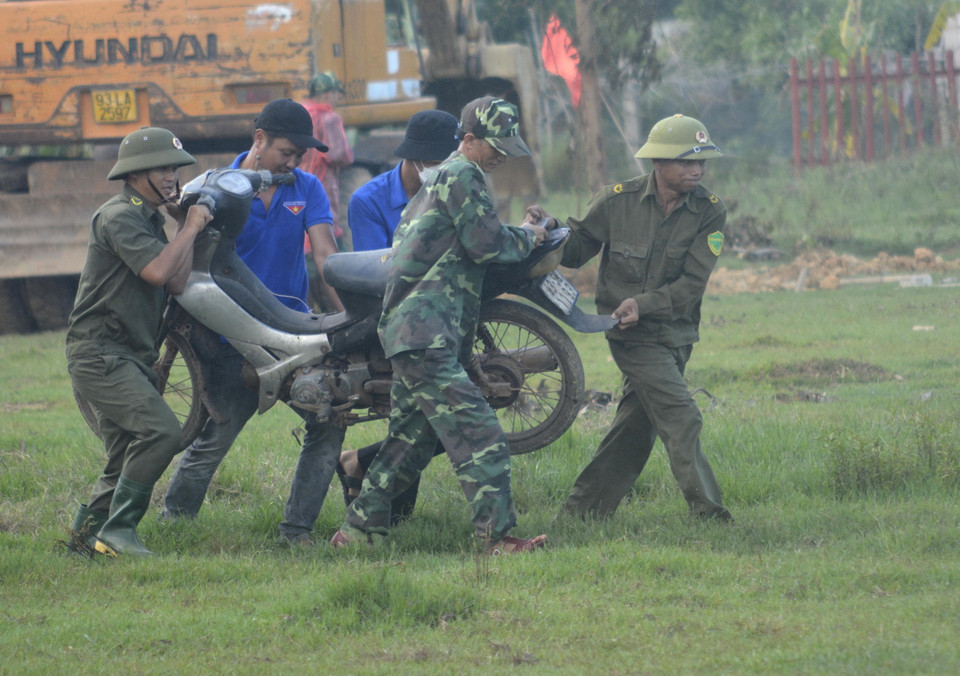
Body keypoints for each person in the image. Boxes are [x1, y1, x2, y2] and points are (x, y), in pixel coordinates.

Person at [330, 97, 549, 554]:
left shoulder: (441, 180)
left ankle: (355, 533)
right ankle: (497, 539)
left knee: (411, 439)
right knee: (480, 432)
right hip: (424, 334)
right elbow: (486, 243)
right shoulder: (461, 174)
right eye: (495, 146)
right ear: (468, 141)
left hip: (418, 334)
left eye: (507, 147)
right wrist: (529, 235)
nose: (501, 156)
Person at [532, 113, 734, 522]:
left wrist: (645, 302)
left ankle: (581, 516)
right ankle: (710, 515)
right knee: (681, 413)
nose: (697, 169)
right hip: (630, 335)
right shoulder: (617, 201)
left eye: (702, 162)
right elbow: (574, 250)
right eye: (686, 161)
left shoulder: (710, 212)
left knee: (635, 428)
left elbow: (692, 284)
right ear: (658, 164)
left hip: (677, 334)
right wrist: (550, 227)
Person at [161, 99, 346, 545]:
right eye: (286, 152)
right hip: (231, 340)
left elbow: (325, 256)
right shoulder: (217, 188)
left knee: (328, 418)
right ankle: (174, 523)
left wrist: (347, 317)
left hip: (294, 334)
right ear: (258, 139)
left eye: (300, 156)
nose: (293, 162)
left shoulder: (307, 188)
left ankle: (296, 531)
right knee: (216, 434)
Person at [67, 127, 213, 556]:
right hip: (101, 353)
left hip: (128, 353)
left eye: (174, 168)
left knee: (123, 451)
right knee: (161, 432)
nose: (172, 176)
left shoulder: (146, 216)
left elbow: (177, 281)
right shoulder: (119, 216)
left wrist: (182, 227)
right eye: (162, 168)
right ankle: (118, 532)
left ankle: (83, 539)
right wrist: (189, 228)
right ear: (135, 174)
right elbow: (154, 272)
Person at [337, 108, 460, 521]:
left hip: (442, 316)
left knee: (445, 414)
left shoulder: (456, 189)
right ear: (413, 159)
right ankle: (377, 498)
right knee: (434, 414)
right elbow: (382, 275)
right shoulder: (369, 200)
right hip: (394, 318)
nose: (440, 171)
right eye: (435, 164)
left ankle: (360, 467)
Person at [301, 71, 353, 253]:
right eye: (337, 94)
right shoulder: (329, 118)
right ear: (330, 94)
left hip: (298, 186)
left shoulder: (300, 114)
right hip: (322, 187)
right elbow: (338, 155)